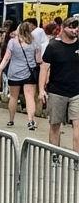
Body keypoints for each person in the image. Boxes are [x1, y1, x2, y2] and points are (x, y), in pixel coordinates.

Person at [39, 15, 79, 154]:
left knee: (77, 125)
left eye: (77, 27)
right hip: (57, 91)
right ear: (63, 28)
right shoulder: (53, 46)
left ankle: (76, 158)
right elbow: (44, 68)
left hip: (76, 92)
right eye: (71, 27)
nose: (75, 30)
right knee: (55, 125)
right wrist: (41, 90)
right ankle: (55, 155)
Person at [0, 21, 40, 131]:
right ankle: (30, 120)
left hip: (14, 72)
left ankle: (11, 119)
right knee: (29, 97)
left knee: (13, 97)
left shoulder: (12, 42)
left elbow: (6, 58)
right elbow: (38, 59)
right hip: (30, 73)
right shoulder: (34, 42)